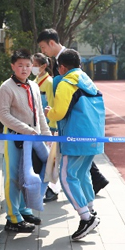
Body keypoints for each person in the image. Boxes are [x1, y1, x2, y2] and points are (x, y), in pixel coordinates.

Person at [37, 28, 109, 194]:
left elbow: (70, 97)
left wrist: (53, 117)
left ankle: (82, 201)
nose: (43, 51)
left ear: (52, 43)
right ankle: (91, 191)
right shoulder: (65, 60)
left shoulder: (68, 62)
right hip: (71, 121)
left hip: (71, 121)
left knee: (70, 170)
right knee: (80, 167)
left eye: (43, 47)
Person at [46, 48, 105, 241]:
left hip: (75, 137)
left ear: (62, 67)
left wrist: (49, 113)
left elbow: (59, 113)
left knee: (66, 176)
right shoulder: (86, 80)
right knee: (82, 174)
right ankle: (91, 209)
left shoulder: (66, 83)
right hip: (94, 136)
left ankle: (86, 218)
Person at [0, 49, 52, 233]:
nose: (24, 69)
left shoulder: (34, 86)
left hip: (33, 139)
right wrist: (26, 129)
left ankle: (24, 210)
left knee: (28, 175)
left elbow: (39, 113)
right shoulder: (6, 87)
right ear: (13, 66)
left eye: (28, 65)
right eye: (20, 65)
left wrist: (46, 134)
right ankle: (13, 218)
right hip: (15, 138)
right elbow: (3, 115)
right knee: (13, 177)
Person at [33, 52, 60, 202]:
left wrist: (51, 128)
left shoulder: (49, 83)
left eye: (35, 65)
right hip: (38, 127)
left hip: (48, 127)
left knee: (50, 161)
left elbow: (52, 105)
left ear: (43, 66)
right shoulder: (35, 81)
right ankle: (44, 188)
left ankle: (53, 190)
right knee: (43, 160)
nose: (32, 68)